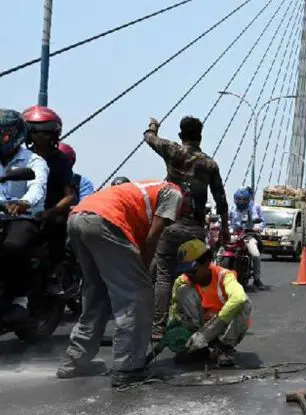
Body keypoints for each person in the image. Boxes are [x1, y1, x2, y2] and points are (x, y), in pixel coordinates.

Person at [57, 179, 184, 387]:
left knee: (97, 292)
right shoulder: (173, 193)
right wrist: (142, 273)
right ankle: (128, 367)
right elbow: (152, 237)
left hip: (78, 217)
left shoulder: (144, 188)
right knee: (137, 295)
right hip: (105, 221)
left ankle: (76, 360)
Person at [144, 115, 230, 341]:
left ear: (181, 135)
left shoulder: (173, 151)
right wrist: (225, 230)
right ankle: (199, 322)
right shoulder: (209, 164)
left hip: (171, 226)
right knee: (197, 276)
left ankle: (157, 327)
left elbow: (150, 138)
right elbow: (221, 199)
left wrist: (153, 126)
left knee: (163, 276)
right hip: (195, 230)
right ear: (200, 137)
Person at [169, 239, 252, 367]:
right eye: (186, 271)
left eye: (193, 270)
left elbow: (239, 298)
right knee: (183, 291)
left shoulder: (224, 276)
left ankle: (224, 348)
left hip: (224, 327)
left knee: (244, 302)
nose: (189, 275)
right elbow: (175, 312)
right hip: (199, 328)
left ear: (207, 263)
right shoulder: (183, 282)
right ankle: (199, 348)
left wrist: (207, 333)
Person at [0, 109, 49, 322]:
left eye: (3, 134)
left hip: (24, 217)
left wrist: (23, 202)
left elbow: (37, 186)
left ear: (16, 134)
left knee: (11, 247)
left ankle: (20, 298)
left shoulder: (34, 161)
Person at [21, 106, 76, 295]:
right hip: (22, 210)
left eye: (44, 132)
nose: (39, 136)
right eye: (34, 131)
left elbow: (69, 195)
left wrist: (49, 212)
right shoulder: (22, 157)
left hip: (50, 211)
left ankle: (54, 273)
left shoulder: (60, 160)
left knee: (57, 224)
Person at [229, 188, 266, 290]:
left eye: (244, 199)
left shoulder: (253, 209)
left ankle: (257, 279)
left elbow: (261, 221)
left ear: (248, 199)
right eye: (239, 199)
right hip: (233, 235)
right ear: (235, 199)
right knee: (219, 252)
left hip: (248, 235)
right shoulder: (231, 209)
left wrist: (257, 227)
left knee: (255, 255)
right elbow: (225, 220)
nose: (241, 202)